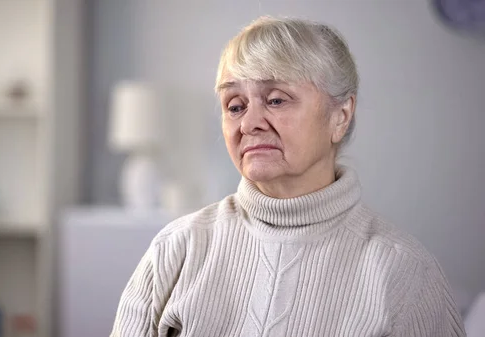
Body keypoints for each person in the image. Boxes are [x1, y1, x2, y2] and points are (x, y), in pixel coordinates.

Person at [110, 16, 466, 337]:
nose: (249, 123)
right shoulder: (176, 249)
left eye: (277, 100)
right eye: (235, 105)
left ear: (340, 116)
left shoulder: (403, 271)